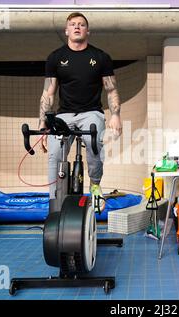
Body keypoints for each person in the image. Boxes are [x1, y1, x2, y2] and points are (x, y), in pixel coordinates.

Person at [38, 12, 122, 211]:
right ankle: (54, 200)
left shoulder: (100, 57)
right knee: (55, 154)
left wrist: (116, 115)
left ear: (88, 31)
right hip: (64, 115)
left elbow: (111, 89)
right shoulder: (55, 58)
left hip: (91, 112)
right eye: (73, 24)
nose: (77, 27)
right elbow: (48, 93)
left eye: (81, 24)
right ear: (66, 30)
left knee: (94, 145)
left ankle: (94, 185)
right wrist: (43, 121)